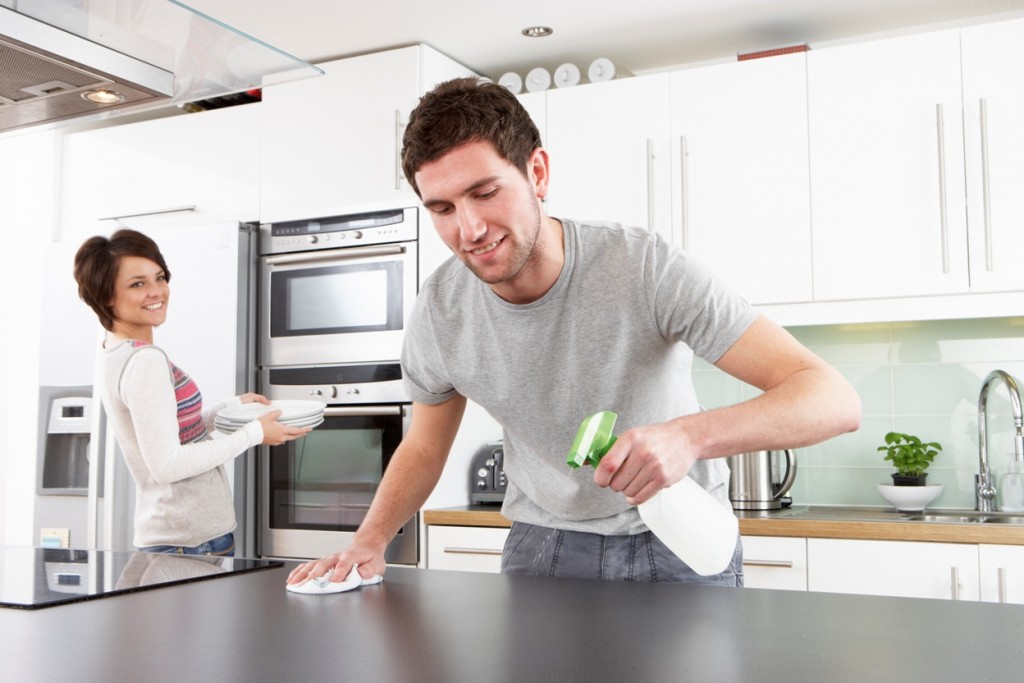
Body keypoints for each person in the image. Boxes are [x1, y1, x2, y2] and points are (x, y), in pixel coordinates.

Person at [287, 77, 861, 587]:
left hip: (679, 540)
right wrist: (370, 539)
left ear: (537, 172)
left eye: (485, 193)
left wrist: (688, 438)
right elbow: (424, 444)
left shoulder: (643, 267)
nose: (469, 229)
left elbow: (831, 399)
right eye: (442, 208)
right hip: (542, 546)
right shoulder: (441, 309)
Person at [74, 229, 310, 556]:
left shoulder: (113, 349)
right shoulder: (145, 361)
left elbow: (166, 430)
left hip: (180, 536)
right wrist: (254, 433)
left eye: (160, 277)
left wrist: (227, 409)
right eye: (137, 284)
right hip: (190, 541)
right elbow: (168, 464)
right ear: (106, 295)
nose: (157, 292)